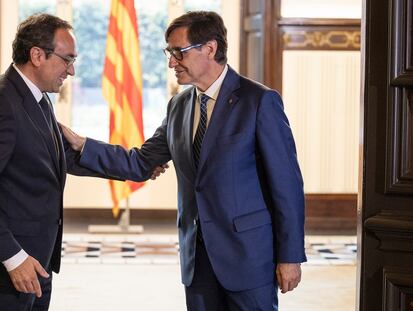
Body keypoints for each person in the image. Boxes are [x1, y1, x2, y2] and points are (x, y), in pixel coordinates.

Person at [63, 11, 306, 311]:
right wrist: (82, 144)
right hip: (196, 261)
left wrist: (290, 255)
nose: (171, 62)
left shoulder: (259, 101)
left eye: (178, 52)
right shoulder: (179, 105)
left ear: (210, 48)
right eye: (169, 53)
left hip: (249, 257)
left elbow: (287, 185)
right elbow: (140, 162)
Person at [0, 14, 164, 311]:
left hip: (39, 260)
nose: (72, 71)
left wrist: (139, 167)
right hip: (13, 265)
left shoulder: (36, 98)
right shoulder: (4, 103)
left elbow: (66, 155)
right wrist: (13, 256)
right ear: (37, 55)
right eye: (67, 60)